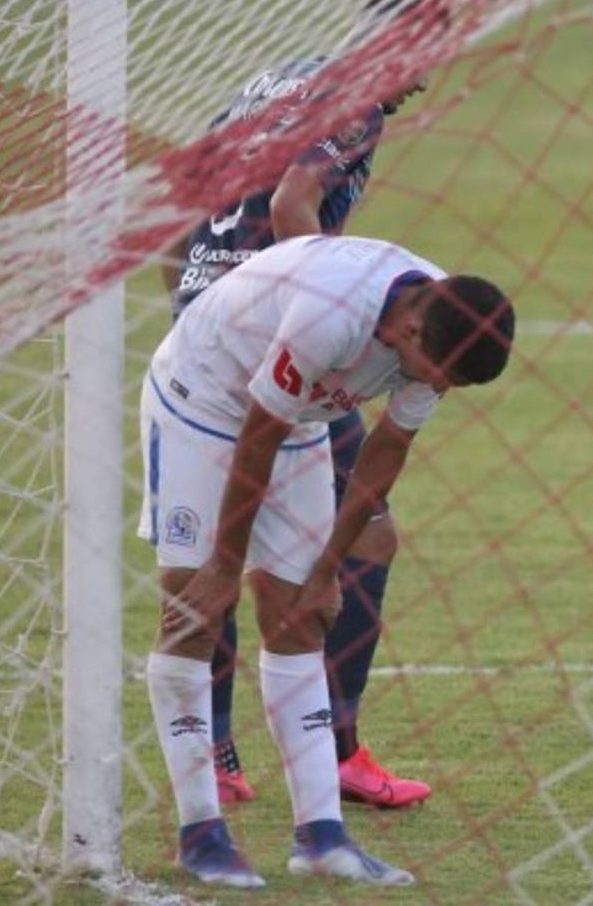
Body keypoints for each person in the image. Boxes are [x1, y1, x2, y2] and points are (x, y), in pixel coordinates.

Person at [139, 233, 515, 887]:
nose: (436, 386)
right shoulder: (330, 313)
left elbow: (387, 447)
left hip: (300, 422)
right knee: (193, 611)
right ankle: (200, 836)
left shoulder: (448, 327)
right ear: (409, 328)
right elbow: (258, 433)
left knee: (301, 615)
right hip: (203, 397)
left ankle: (321, 838)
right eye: (437, 373)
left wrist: (326, 569)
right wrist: (225, 565)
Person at [163, 51, 431, 807]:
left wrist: (190, 311)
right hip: (271, 334)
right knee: (365, 537)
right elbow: (292, 202)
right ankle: (339, 751)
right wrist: (317, 309)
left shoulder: (275, 79)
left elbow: (188, 202)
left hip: (207, 324)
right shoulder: (358, 102)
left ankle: (216, 751)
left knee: (218, 540)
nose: (427, 79)